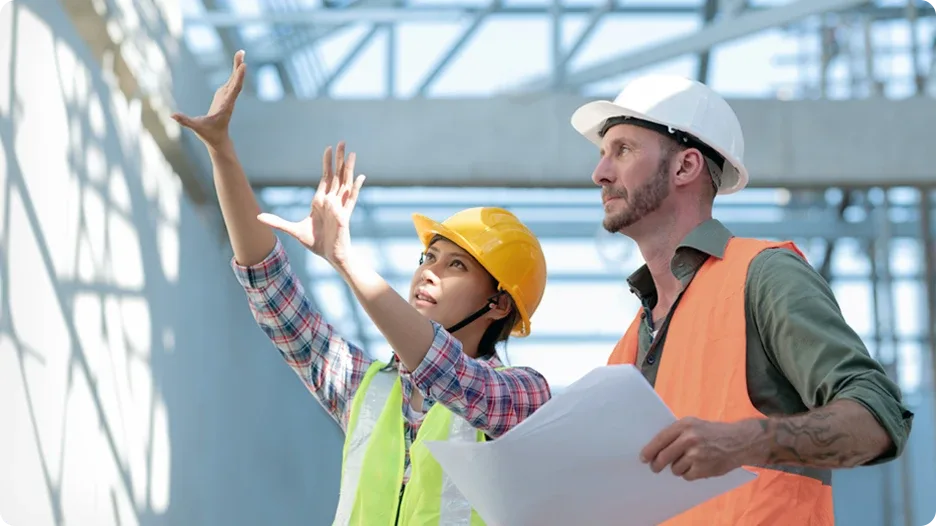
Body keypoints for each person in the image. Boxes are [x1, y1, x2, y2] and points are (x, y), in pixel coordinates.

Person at [172, 51, 551, 525]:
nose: (428, 272)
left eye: (456, 265)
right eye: (427, 258)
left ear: (498, 303)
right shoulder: (365, 388)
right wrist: (222, 150)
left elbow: (450, 376)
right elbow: (272, 291)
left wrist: (346, 260)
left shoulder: (525, 398)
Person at [570, 75, 914, 525]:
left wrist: (747, 441)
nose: (600, 173)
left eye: (623, 150)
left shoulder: (764, 275)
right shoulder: (630, 345)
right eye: (602, 155)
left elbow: (879, 418)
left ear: (685, 167)